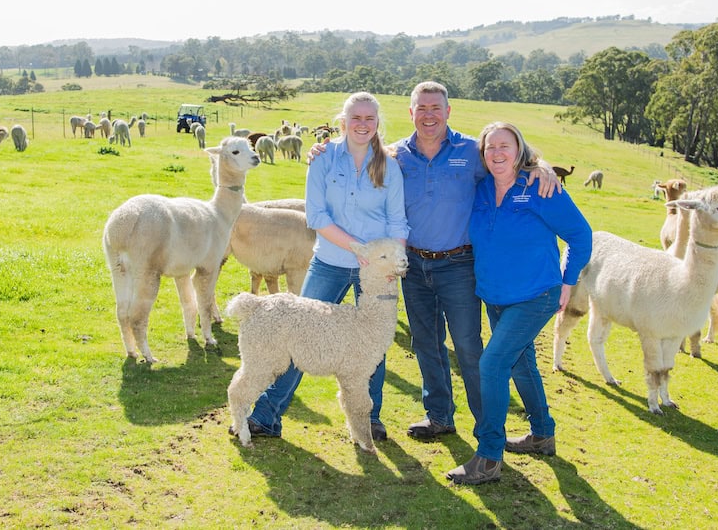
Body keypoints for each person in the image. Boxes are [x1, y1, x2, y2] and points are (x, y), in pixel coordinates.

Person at [391, 82, 558, 441]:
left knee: (468, 346)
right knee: (425, 343)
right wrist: (321, 150)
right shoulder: (397, 155)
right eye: (422, 108)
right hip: (413, 265)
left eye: (436, 107)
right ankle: (439, 416)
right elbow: (358, 153)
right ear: (411, 113)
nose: (429, 115)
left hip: (459, 266)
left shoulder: (470, 151)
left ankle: (487, 429)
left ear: (448, 111)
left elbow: (509, 162)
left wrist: (541, 166)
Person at [241, 91, 409, 441]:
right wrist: (357, 249)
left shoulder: (389, 166)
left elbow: (397, 222)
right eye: (355, 118)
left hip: (376, 273)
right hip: (331, 261)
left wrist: (391, 262)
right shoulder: (323, 160)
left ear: (377, 123)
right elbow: (316, 215)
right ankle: (266, 416)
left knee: (371, 344)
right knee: (297, 334)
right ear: (343, 122)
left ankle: (368, 419)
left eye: (369, 118)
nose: (362, 124)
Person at [446, 121, 592, 485]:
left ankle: (488, 456)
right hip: (495, 296)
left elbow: (581, 235)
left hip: (536, 294)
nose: (497, 153)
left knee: (492, 364)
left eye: (504, 146)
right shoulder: (480, 190)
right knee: (521, 363)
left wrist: (568, 281)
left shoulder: (540, 186)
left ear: (519, 151)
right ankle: (542, 434)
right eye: (490, 147)